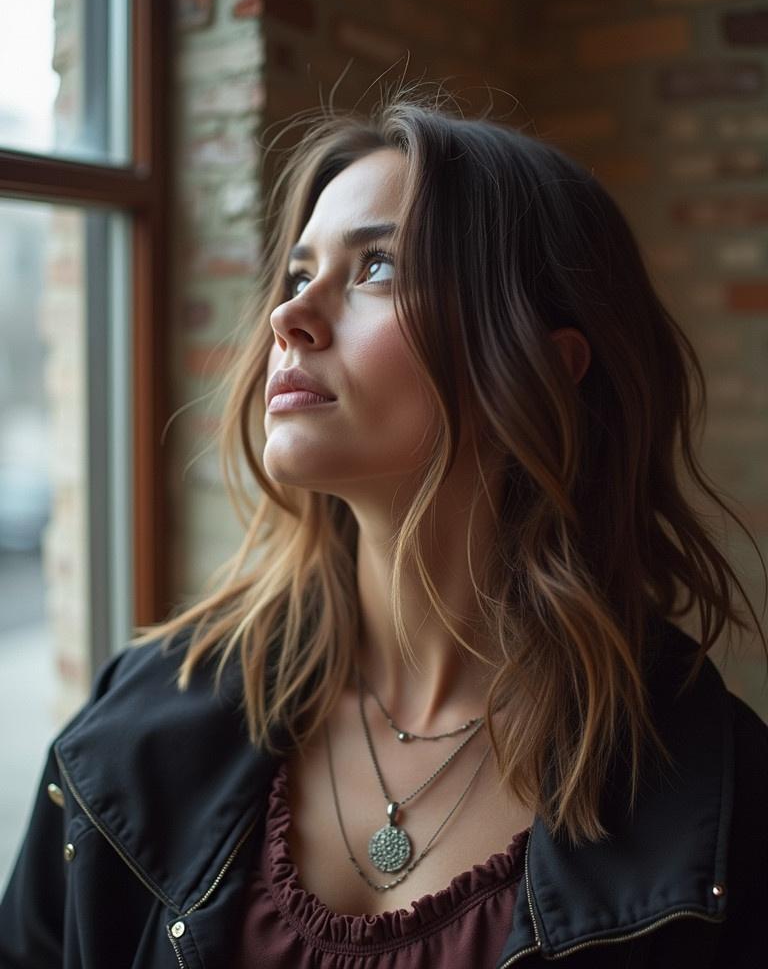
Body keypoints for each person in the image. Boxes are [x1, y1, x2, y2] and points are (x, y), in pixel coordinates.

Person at [1, 82, 766, 969]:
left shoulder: (714, 800)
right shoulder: (134, 729)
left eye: (377, 268)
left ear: (543, 371)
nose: (289, 317)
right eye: (297, 274)